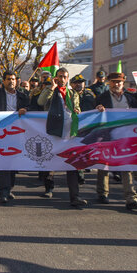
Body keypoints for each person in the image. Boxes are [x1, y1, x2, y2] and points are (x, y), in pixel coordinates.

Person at [94, 72, 137, 211]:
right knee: (103, 164)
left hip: (126, 136)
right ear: (108, 83)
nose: (116, 84)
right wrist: (98, 109)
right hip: (107, 135)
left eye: (119, 82)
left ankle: (131, 198)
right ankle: (102, 193)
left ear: (123, 83)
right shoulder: (101, 98)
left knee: (126, 166)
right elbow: (92, 114)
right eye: (113, 81)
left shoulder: (130, 97)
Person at [37, 68, 86, 207]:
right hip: (53, 131)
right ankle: (49, 188)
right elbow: (41, 102)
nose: (62, 79)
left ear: (68, 78)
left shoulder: (72, 93)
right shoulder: (51, 91)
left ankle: (75, 196)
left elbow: (77, 108)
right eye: (59, 77)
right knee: (50, 161)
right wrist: (51, 87)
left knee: (71, 164)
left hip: (69, 132)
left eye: (64, 77)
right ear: (55, 78)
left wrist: (77, 110)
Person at [0, 71, 29, 203]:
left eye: (13, 79)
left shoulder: (22, 95)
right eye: (8, 79)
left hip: (17, 132)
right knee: (4, 161)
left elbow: (31, 106)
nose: (11, 81)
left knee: (14, 162)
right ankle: (3, 191)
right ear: (3, 81)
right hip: (1, 132)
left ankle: (9, 189)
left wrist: (25, 109)